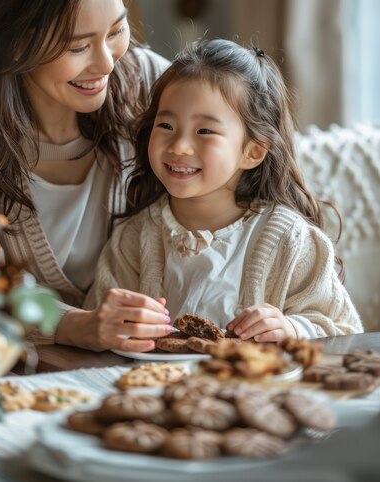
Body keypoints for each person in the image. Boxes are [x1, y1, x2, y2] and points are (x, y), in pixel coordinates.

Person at [0, 0, 174, 351]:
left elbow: (255, 185)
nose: (106, 63)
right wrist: (75, 325)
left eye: (116, 31)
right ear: (15, 40)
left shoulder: (152, 86)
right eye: (78, 46)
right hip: (9, 374)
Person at [84, 39, 363, 345]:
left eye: (204, 131)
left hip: (258, 390)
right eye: (165, 125)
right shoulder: (133, 239)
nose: (178, 146)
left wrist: (293, 329)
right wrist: (118, 327)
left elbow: (345, 334)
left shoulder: (291, 241)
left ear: (253, 151)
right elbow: (98, 327)